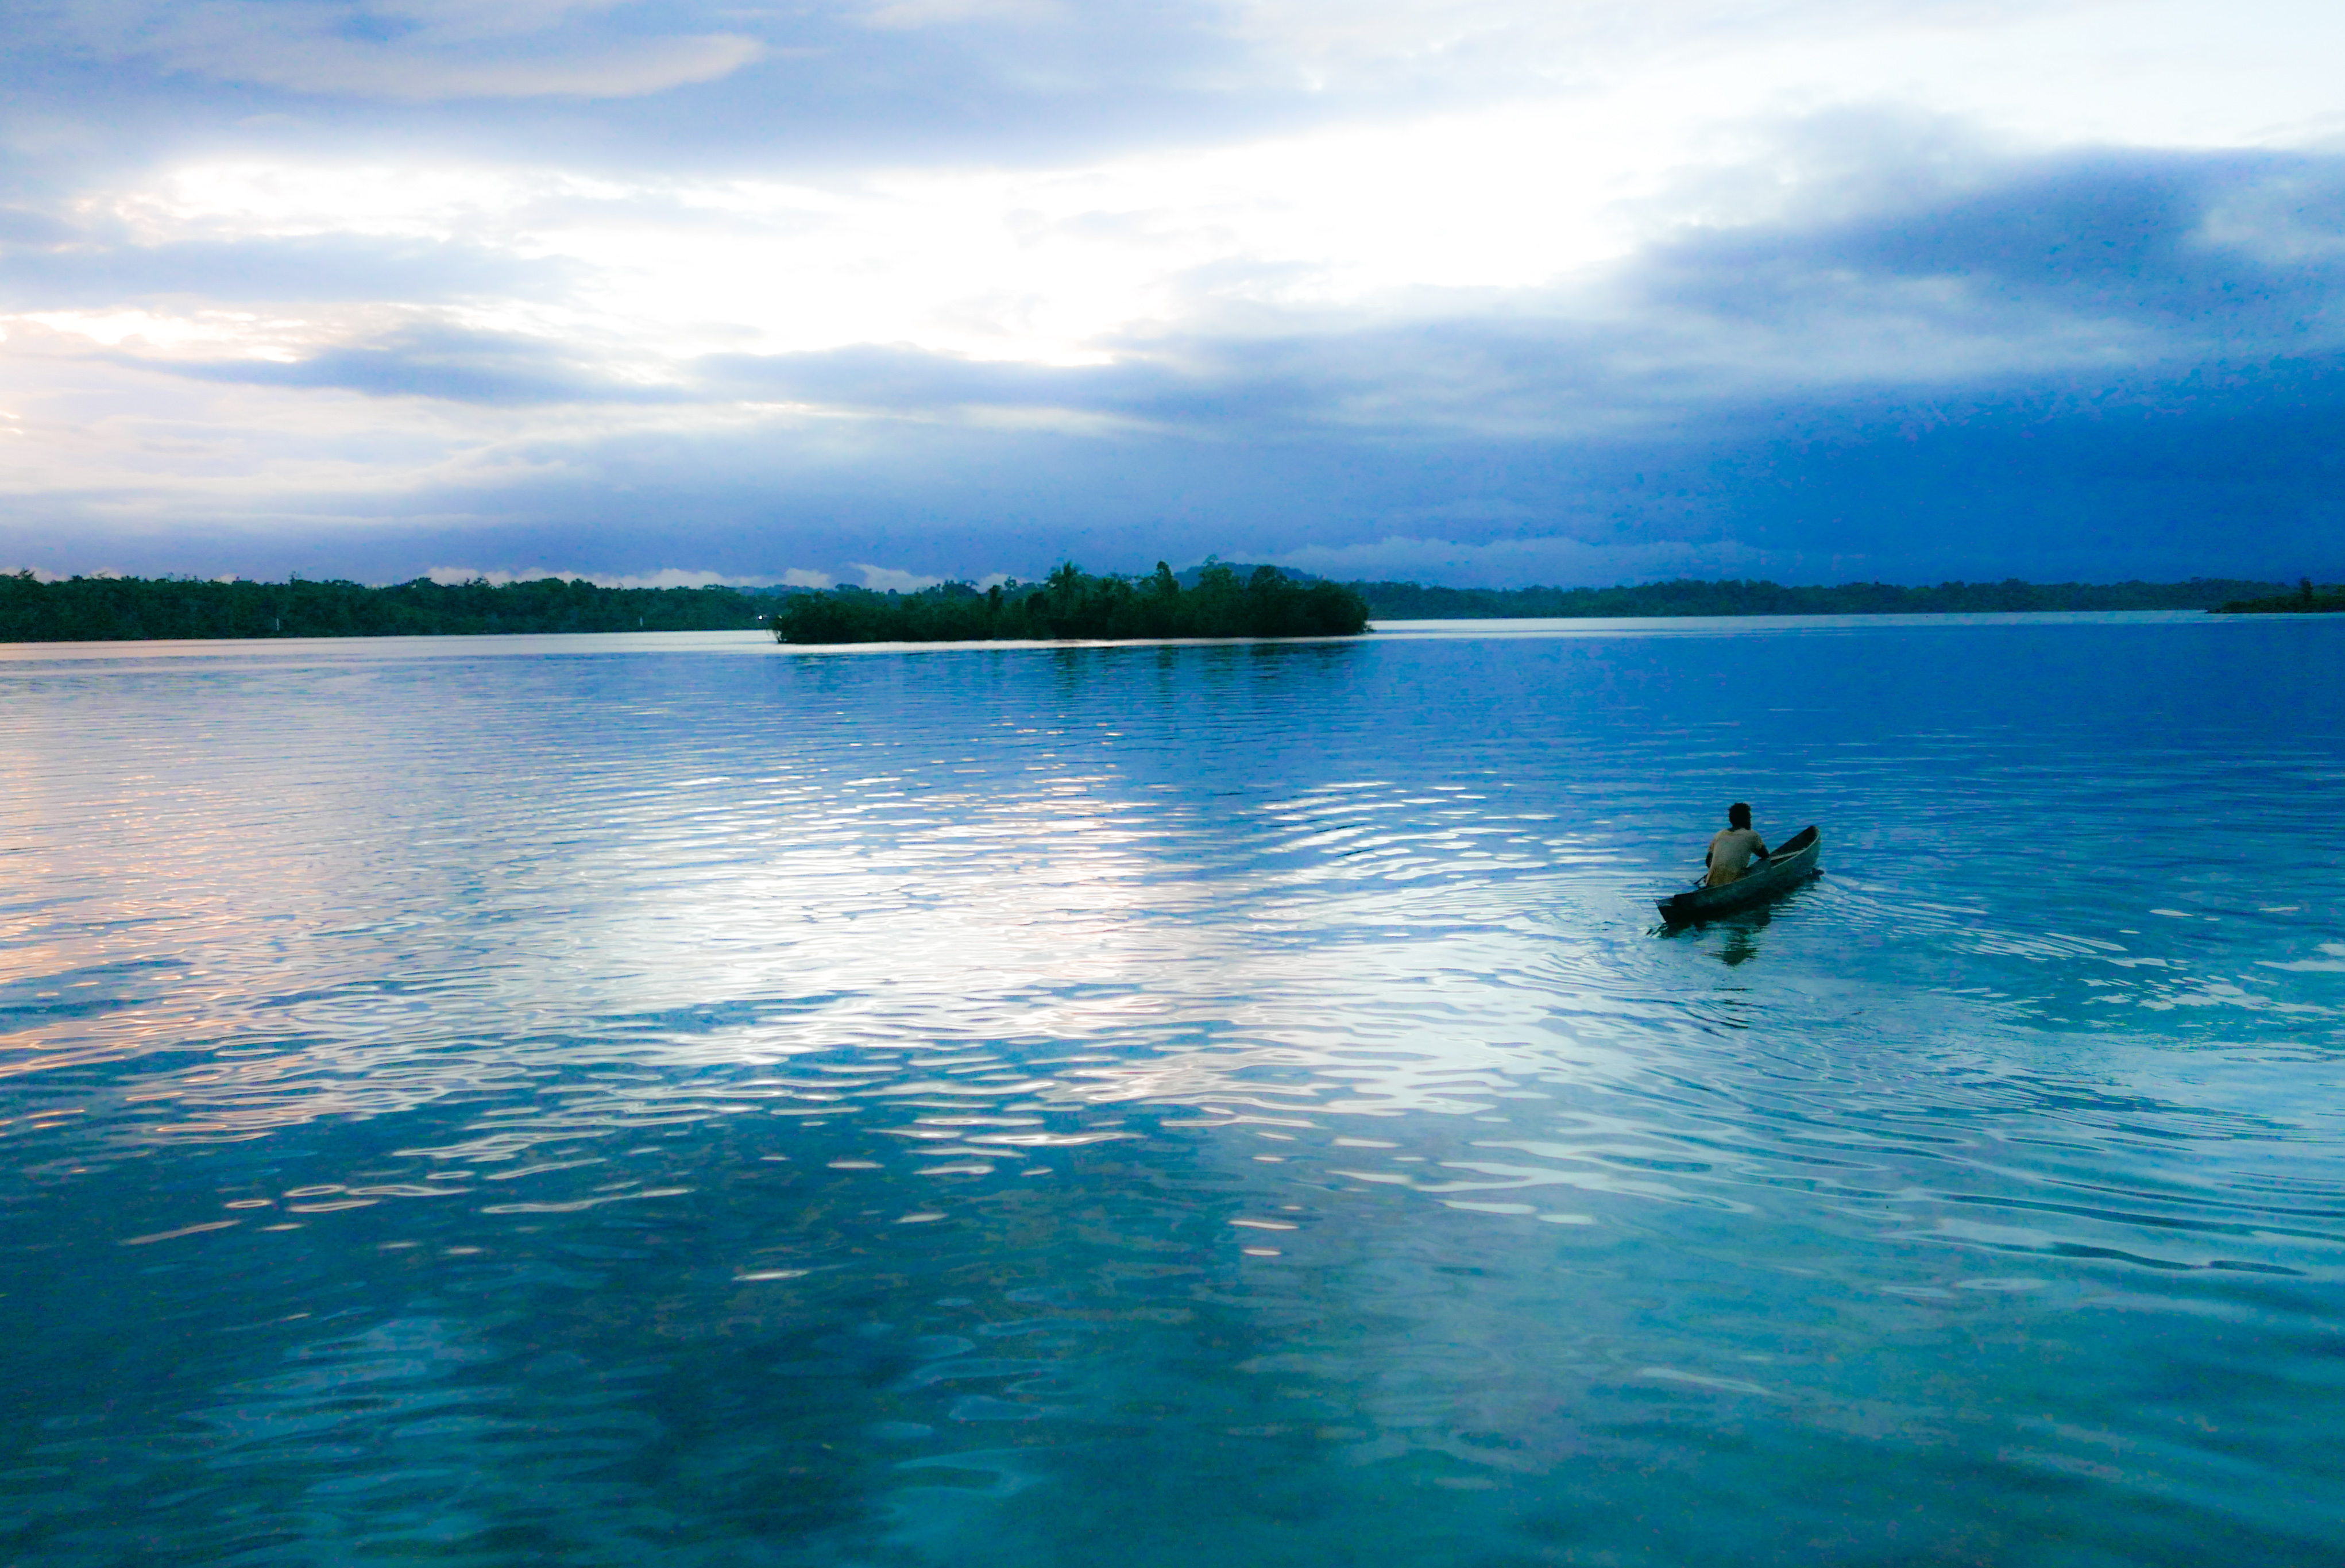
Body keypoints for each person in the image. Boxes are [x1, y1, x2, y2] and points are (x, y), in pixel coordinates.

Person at [1704, 802, 1769, 887]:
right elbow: (1765, 855)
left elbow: (1708, 861)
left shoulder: (1720, 835)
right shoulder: (1752, 835)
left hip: (1711, 883)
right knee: (1766, 862)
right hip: (1734, 882)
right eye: (1750, 818)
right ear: (1746, 820)